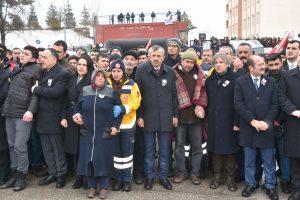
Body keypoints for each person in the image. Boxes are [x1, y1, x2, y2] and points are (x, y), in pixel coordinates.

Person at [234, 55, 278, 200]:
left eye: (263, 64)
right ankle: (250, 184)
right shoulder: (240, 82)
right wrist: (252, 120)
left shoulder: (270, 82)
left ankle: (271, 186)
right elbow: (239, 105)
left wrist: (267, 121)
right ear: (251, 67)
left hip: (266, 128)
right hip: (248, 127)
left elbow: (274, 105)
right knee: (249, 160)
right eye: (259, 64)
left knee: (269, 160)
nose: (263, 66)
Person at [73, 68, 122, 199]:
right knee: (89, 159)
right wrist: (76, 114)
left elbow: (119, 111)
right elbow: (77, 107)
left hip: (105, 133)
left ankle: (104, 187)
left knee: (103, 159)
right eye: (97, 76)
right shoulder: (85, 90)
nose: (100, 78)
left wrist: (116, 126)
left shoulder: (111, 92)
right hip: (87, 131)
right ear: (93, 77)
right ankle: (91, 186)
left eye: (102, 76)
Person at [135, 45, 178, 191]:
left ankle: (163, 177)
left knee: (165, 150)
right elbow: (137, 97)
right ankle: (149, 177)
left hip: (166, 117)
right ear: (149, 56)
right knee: (149, 150)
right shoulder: (141, 71)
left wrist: (175, 115)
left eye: (159, 56)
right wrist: (139, 116)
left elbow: (174, 95)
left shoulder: (170, 72)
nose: (156, 58)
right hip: (147, 117)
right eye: (153, 55)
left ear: (163, 57)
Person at [1, 46, 42, 192]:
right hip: (9, 112)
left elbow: (35, 94)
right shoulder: (17, 68)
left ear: (33, 58)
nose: (22, 55)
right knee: (12, 145)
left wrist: (31, 111)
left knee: (20, 146)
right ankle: (14, 174)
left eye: (26, 54)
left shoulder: (36, 70)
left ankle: (21, 177)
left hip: (23, 114)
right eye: (22, 53)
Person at [32, 48, 71, 189]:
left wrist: (36, 90)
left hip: (55, 117)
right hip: (42, 116)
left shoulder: (62, 73)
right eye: (41, 56)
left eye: (45, 57)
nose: (41, 59)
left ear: (54, 59)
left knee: (57, 148)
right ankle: (52, 172)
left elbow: (56, 92)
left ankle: (61, 174)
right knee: (47, 148)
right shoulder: (43, 72)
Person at [206, 53, 240, 191]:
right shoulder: (210, 80)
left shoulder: (236, 79)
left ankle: (231, 179)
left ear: (227, 64)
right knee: (215, 150)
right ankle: (217, 177)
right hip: (214, 121)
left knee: (230, 150)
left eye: (221, 62)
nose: (218, 65)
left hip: (229, 121)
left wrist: (237, 122)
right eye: (216, 62)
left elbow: (239, 103)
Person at [173, 48, 207, 185]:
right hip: (180, 116)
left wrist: (201, 106)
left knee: (197, 146)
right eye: (187, 61)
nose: (189, 65)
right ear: (181, 60)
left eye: (191, 62)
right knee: (179, 146)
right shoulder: (172, 73)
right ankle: (182, 172)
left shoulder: (200, 74)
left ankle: (195, 173)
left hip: (195, 117)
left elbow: (204, 93)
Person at [107, 60, 141, 192]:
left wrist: (124, 108)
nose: (116, 74)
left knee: (126, 154)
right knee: (116, 154)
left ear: (123, 71)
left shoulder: (132, 84)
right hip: (112, 124)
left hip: (127, 123)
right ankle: (118, 179)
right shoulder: (106, 84)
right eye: (113, 71)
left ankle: (127, 180)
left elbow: (136, 102)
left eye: (118, 71)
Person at [61, 54, 94, 189]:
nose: (80, 67)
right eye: (79, 64)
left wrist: (81, 114)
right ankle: (78, 177)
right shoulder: (72, 78)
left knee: (84, 149)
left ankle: (86, 178)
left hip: (85, 116)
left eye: (83, 65)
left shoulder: (91, 79)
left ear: (89, 66)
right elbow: (65, 99)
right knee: (73, 148)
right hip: (70, 115)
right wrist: (63, 116)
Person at [267, 53, 292, 194]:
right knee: (270, 154)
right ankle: (272, 180)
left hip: (283, 123)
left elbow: (289, 100)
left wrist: (279, 120)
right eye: (271, 65)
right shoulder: (264, 78)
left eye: (276, 64)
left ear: (281, 62)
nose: (274, 67)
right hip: (268, 122)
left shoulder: (288, 77)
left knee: (284, 154)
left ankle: (285, 180)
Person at [278, 57, 300, 200]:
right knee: (296, 159)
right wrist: (292, 110)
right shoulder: (287, 76)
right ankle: (297, 189)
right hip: (294, 122)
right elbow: (281, 96)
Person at [0, 50, 11, 186]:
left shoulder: (6, 75)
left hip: (1, 115)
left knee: (2, 147)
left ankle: (3, 175)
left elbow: (4, 94)